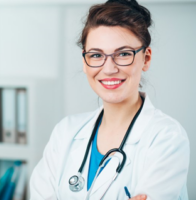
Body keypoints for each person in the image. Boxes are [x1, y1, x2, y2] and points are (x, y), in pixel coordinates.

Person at [29, 0, 190, 199]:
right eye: (96, 55)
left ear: (146, 58)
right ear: (85, 62)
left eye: (123, 54)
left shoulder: (166, 139)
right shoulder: (65, 133)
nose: (109, 68)